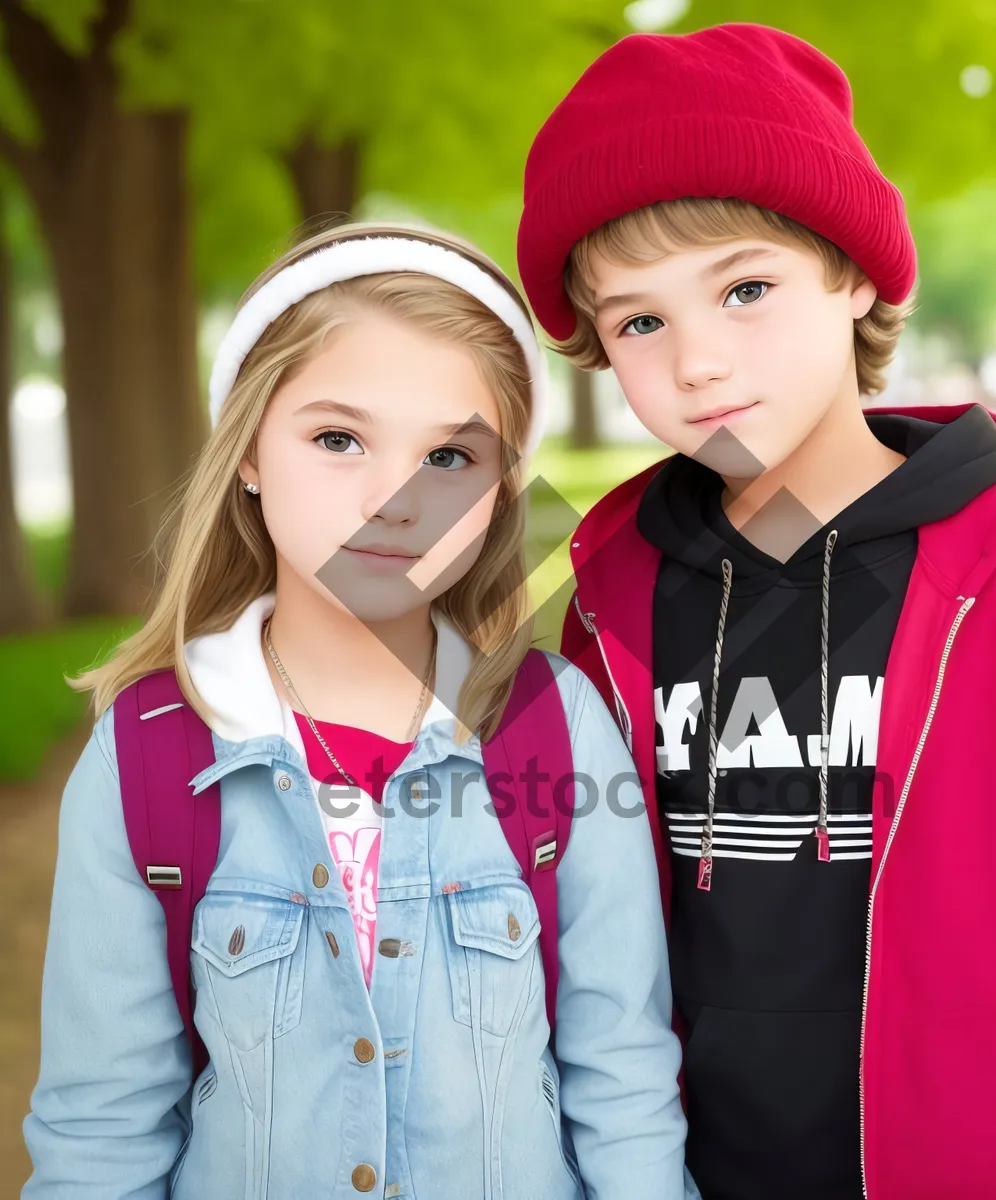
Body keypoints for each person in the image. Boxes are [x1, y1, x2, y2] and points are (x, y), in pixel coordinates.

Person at [517, 23, 996, 1200]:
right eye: (640, 321)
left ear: (851, 271)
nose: (699, 363)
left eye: (745, 288)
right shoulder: (613, 594)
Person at [23, 223, 694, 1199]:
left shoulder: (558, 728)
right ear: (249, 453)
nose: (394, 498)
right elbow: (102, 1131)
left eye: (450, 457)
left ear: (503, 492)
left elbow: (623, 1082)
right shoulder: (146, 758)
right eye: (338, 438)